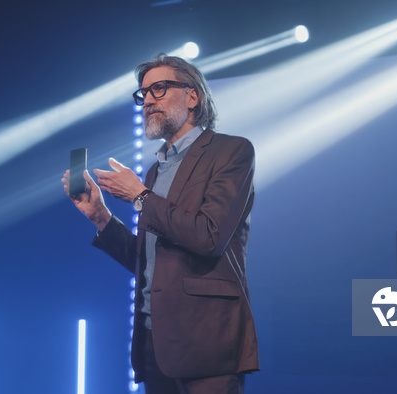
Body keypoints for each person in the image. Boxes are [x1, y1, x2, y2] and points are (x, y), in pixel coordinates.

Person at [62, 54, 259, 394]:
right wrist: (101, 216)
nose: (148, 100)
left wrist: (140, 197)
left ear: (192, 97)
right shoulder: (156, 172)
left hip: (207, 344)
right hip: (156, 345)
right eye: (143, 94)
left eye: (159, 88)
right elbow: (150, 262)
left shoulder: (231, 152)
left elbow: (208, 238)